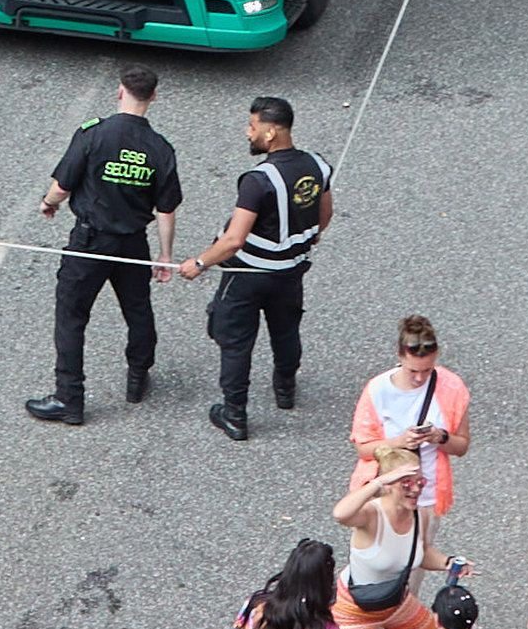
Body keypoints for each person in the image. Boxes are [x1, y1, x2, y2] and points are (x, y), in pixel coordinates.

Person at [29, 66, 187, 425]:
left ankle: (69, 399)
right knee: (138, 310)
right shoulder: (160, 149)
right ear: (153, 97)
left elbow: (62, 186)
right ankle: (137, 377)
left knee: (71, 316)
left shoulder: (93, 134)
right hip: (133, 243)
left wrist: (48, 203)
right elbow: (166, 209)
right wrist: (165, 255)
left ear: (120, 92)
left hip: (89, 241)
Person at [172, 92, 332, 445]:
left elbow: (234, 241)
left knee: (235, 343)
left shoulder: (257, 180)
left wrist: (198, 263)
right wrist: (307, 239)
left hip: (247, 276)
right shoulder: (318, 166)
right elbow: (326, 215)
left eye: (252, 126)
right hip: (290, 272)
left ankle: (234, 414)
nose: (248, 133)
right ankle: (285, 389)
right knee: (286, 331)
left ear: (271, 132)